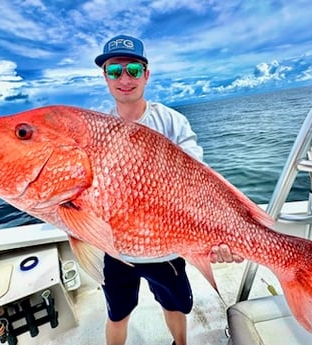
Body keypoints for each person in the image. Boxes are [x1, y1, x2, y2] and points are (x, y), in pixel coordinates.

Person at [94, 34, 239, 345]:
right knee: (117, 312)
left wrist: (217, 235)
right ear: (104, 76)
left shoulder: (171, 122)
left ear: (146, 74)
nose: (124, 78)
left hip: (168, 246)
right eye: (114, 70)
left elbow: (196, 182)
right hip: (115, 249)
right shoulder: (97, 128)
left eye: (133, 69)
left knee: (175, 305)